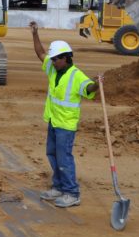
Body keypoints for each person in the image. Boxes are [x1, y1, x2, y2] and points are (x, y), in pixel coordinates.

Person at [29, 21, 98, 208]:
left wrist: (97, 83)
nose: (52, 61)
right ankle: (58, 187)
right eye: (52, 59)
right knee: (52, 154)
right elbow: (40, 53)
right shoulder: (53, 68)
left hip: (66, 125)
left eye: (55, 59)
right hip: (53, 120)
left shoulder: (77, 75)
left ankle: (72, 192)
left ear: (66, 58)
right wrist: (35, 33)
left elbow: (88, 88)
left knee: (64, 158)